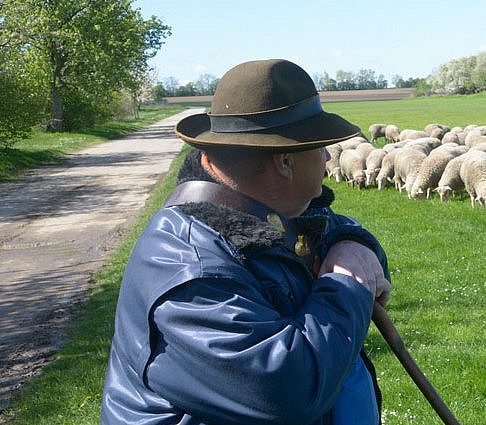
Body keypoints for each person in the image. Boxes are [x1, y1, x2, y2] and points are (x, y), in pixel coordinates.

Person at [101, 59, 391, 425]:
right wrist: (347, 284)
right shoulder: (191, 270)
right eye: (318, 147)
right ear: (284, 162)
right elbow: (288, 390)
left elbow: (334, 230)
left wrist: (353, 243)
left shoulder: (268, 212)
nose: (327, 157)